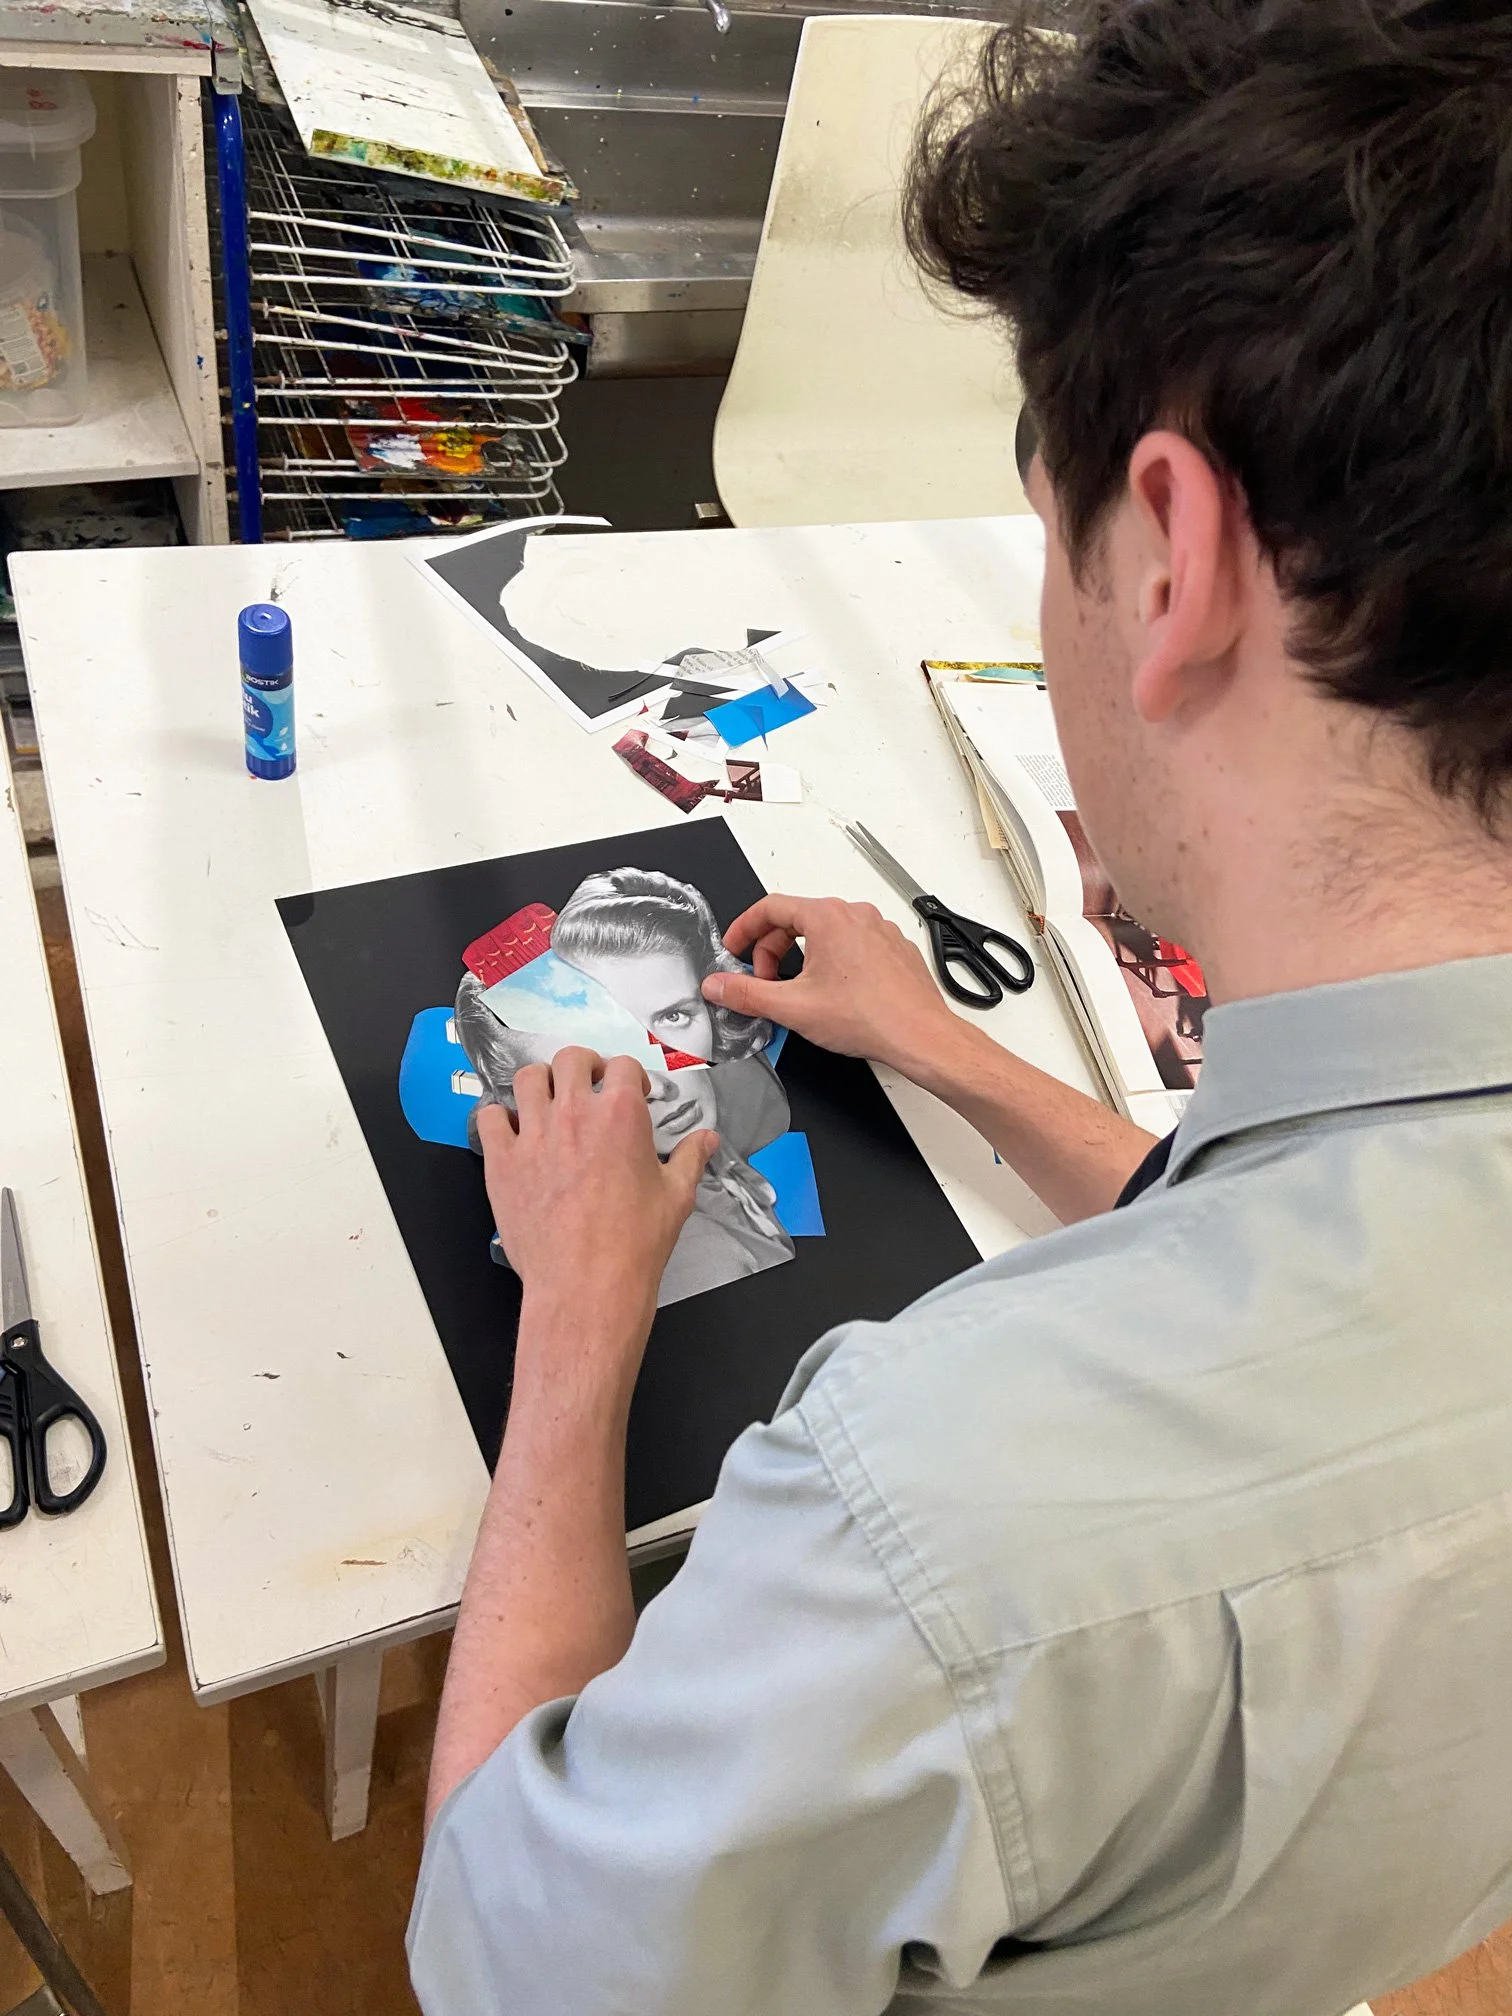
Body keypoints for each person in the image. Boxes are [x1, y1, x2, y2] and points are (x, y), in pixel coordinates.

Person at [409, 4, 1512, 2012]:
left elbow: (497, 1961)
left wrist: (574, 1333)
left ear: (1168, 558)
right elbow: (1299, 1254)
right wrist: (940, 1046)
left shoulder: (924, 1525)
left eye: (1046, 528)